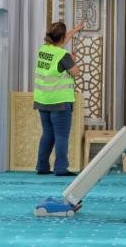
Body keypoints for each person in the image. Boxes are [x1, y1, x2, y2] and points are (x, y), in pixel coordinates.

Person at [33, 21, 83, 176]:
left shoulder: (44, 49)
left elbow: (61, 41)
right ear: (60, 38)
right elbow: (75, 73)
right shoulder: (63, 55)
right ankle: (61, 168)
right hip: (60, 102)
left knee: (47, 134)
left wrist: (75, 30)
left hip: (43, 100)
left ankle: (42, 167)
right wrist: (73, 60)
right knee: (61, 136)